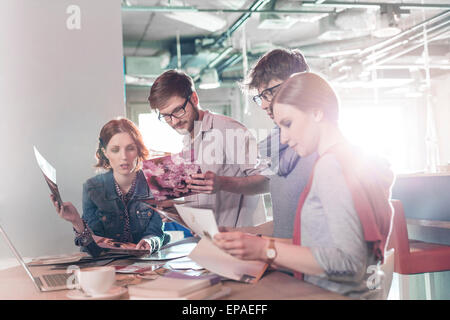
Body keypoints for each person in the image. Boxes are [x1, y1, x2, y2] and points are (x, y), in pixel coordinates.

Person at [214, 72, 394, 299]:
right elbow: (318, 244)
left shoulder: (330, 167)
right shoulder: (347, 158)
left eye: (288, 124)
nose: (283, 138)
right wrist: (253, 242)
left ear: (317, 112)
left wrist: (264, 250)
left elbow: (350, 261)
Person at [148, 69, 269, 227]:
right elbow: (207, 203)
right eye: (166, 116)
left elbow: (267, 182)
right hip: (210, 242)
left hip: (242, 243)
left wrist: (222, 183)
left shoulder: (228, 130)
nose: (174, 122)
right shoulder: (187, 141)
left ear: (194, 98)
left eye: (178, 110)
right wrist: (175, 209)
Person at [51, 118, 169, 257]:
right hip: (107, 266)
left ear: (138, 150)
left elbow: (155, 232)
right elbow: (94, 249)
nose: (124, 156)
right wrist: (76, 221)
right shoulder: (92, 188)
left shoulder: (154, 183)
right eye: (115, 150)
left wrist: (149, 242)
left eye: (130, 148)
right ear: (105, 153)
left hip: (146, 263)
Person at [239, 48, 318, 238]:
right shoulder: (280, 149)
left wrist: (267, 251)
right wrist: (247, 234)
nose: (264, 105)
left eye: (268, 93)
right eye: (260, 98)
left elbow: (327, 248)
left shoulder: (321, 155)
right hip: (288, 263)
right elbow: (289, 223)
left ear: (297, 86)